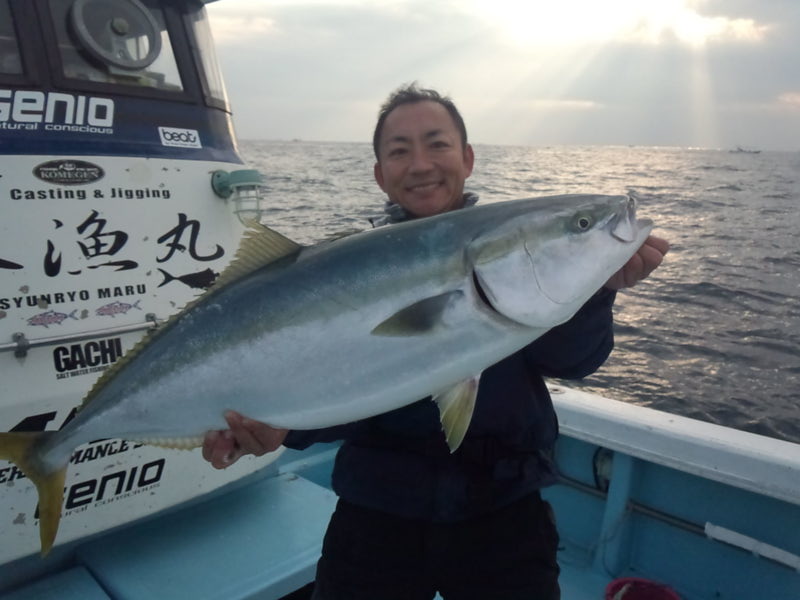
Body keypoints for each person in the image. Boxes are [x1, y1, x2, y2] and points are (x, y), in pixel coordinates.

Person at [202, 84, 669, 600]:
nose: (421, 164)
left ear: (467, 158)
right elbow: (346, 383)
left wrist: (599, 291)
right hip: (379, 511)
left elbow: (574, 360)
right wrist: (281, 427)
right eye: (400, 151)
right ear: (380, 173)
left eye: (437, 144)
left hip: (506, 511)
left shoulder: (514, 255)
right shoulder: (344, 268)